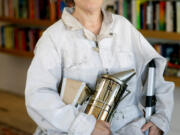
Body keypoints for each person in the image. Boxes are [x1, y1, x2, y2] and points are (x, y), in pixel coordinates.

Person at [25, 0, 174, 135]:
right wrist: (85, 126)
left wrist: (160, 119)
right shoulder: (53, 38)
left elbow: (155, 75)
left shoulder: (124, 27)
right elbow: (38, 95)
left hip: (131, 128)